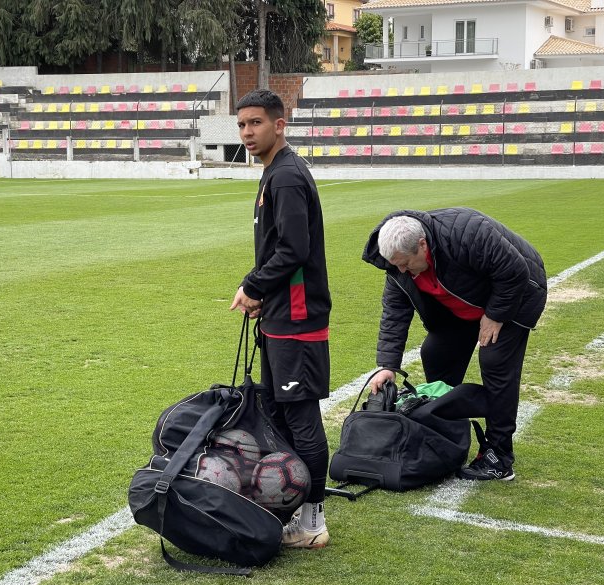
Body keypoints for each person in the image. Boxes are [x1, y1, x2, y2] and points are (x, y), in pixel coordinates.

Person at [362, 209, 547, 481]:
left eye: (405, 263)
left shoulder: (469, 231)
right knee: (436, 353)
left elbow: (515, 271)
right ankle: (446, 436)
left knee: (495, 361)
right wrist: (388, 365)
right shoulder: (397, 265)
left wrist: (495, 315)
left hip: (516, 296)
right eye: (395, 264)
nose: (400, 270)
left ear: (422, 245)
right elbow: (394, 312)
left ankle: (499, 455)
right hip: (463, 308)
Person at [229, 89, 332, 548]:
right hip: (279, 315)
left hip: (298, 317)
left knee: (301, 417)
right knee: (279, 414)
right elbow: (278, 249)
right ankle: (291, 508)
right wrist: (259, 293)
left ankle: (312, 520)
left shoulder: (287, 176)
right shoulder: (275, 172)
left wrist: (254, 286)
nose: (248, 132)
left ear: (279, 124)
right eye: (242, 125)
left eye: (255, 123)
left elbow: (293, 249)